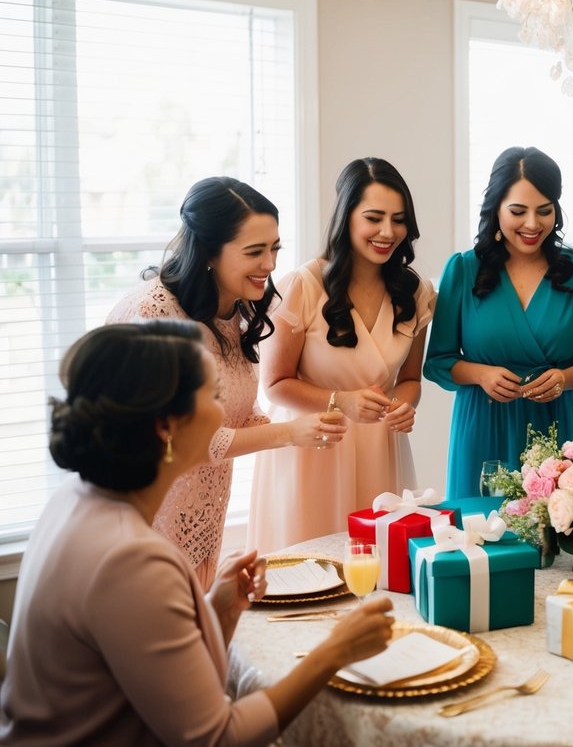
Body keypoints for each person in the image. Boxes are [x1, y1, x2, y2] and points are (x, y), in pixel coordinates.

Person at [0, 321, 393, 745]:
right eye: (214, 397)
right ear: (166, 426)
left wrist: (219, 611)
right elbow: (215, 737)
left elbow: (166, 681)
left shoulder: (73, 499)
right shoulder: (129, 560)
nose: (223, 412)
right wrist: (333, 654)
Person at [107, 177, 345, 588]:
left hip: (201, 518)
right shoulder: (152, 314)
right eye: (255, 252)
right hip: (145, 523)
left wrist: (303, 432)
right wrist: (287, 432)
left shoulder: (235, 308)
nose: (270, 265)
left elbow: (235, 413)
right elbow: (178, 440)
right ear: (208, 254)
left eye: (274, 249)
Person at [248, 157, 435, 551]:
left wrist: (402, 406)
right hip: (312, 449)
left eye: (399, 219)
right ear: (346, 216)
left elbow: (410, 379)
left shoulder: (417, 293)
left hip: (379, 449)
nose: (388, 232)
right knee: (307, 573)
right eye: (374, 218)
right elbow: (275, 384)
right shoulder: (301, 286)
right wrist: (341, 402)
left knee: (377, 567)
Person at [424, 146, 573, 498]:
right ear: (496, 209)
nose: (532, 224)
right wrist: (481, 374)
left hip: (557, 423)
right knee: (479, 538)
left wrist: (563, 378)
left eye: (544, 211)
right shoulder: (463, 269)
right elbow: (438, 362)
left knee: (560, 541)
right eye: (518, 211)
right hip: (484, 423)